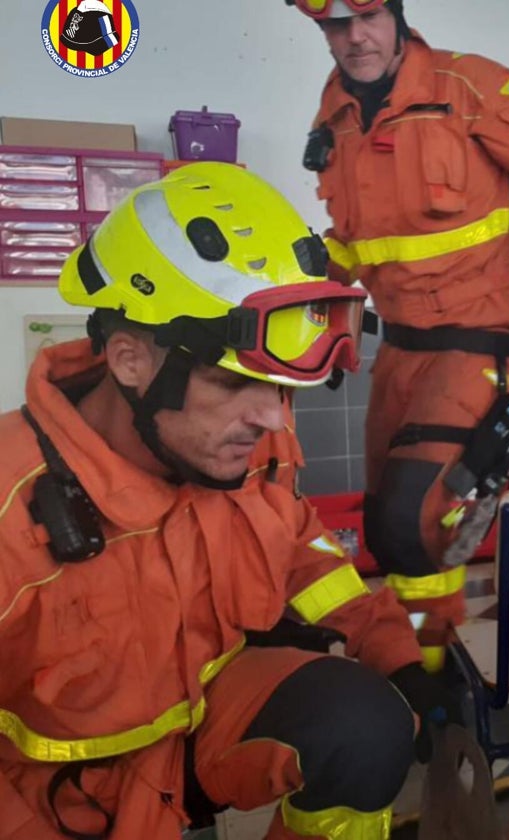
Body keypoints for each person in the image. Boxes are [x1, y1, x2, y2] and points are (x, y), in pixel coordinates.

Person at [0, 162, 456, 840]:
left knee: (362, 725)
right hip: (46, 800)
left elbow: (307, 557)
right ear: (129, 360)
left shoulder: (233, 448)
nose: (272, 421)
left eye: (281, 390)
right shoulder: (12, 507)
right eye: (229, 383)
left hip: (200, 726)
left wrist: (397, 656)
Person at [287, 0, 509, 670]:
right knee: (386, 523)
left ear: (398, 14)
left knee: (418, 515)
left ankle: (440, 673)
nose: (356, 37)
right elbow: (357, 243)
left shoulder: (469, 87)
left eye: (368, 16)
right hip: (401, 350)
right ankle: (424, 660)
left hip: (475, 341)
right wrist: (315, 317)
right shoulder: (336, 113)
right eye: (335, 26)